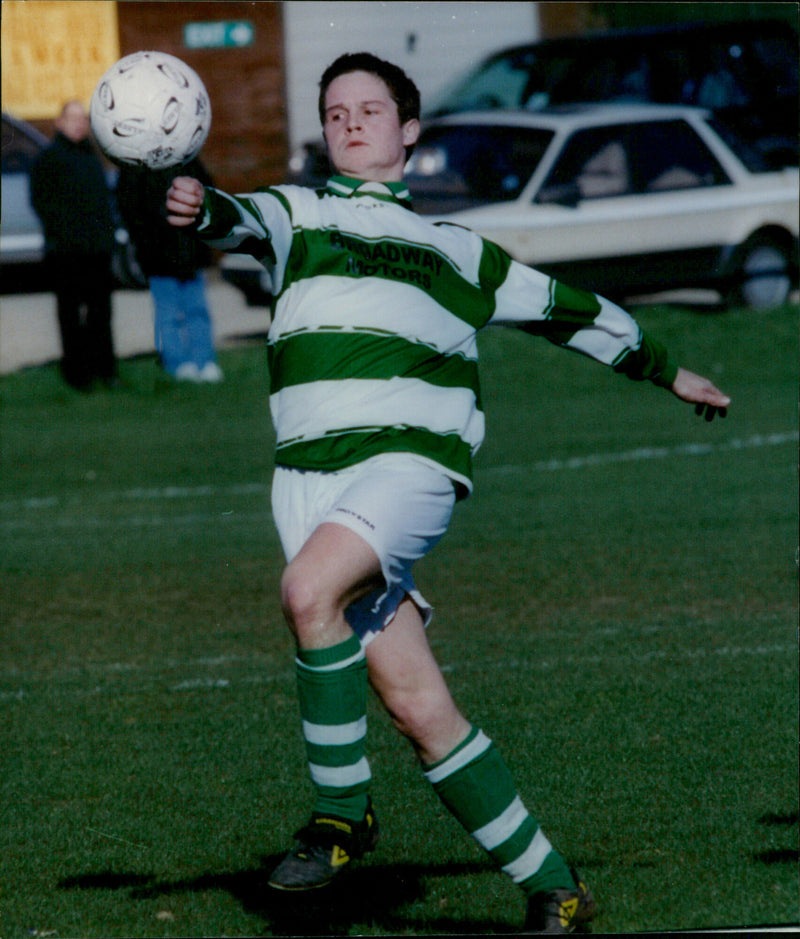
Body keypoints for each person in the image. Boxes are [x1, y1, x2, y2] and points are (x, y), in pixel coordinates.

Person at [165, 53, 730, 933]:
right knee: (419, 710)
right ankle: (557, 888)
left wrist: (669, 370)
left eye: (372, 109)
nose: (353, 122)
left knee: (307, 591)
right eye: (337, 111)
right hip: (309, 485)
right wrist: (199, 204)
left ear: (410, 130)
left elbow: (570, 309)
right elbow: (231, 217)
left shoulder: (457, 252)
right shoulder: (296, 213)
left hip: (408, 467)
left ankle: (342, 815)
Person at [29, 100, 118, 390]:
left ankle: (105, 370)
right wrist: (65, 234)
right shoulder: (49, 158)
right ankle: (78, 375)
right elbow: (41, 202)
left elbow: (103, 204)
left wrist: (107, 238)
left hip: (97, 251)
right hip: (67, 253)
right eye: (73, 118)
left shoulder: (92, 158)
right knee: (70, 316)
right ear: (59, 123)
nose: (80, 124)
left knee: (100, 314)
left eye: (84, 119)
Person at [116, 158, 223, 383]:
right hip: (159, 254)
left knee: (197, 309)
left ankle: (204, 361)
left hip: (190, 249)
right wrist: (146, 242)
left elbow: (208, 194)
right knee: (168, 312)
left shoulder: (188, 160)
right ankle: (177, 363)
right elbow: (130, 208)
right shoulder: (137, 166)